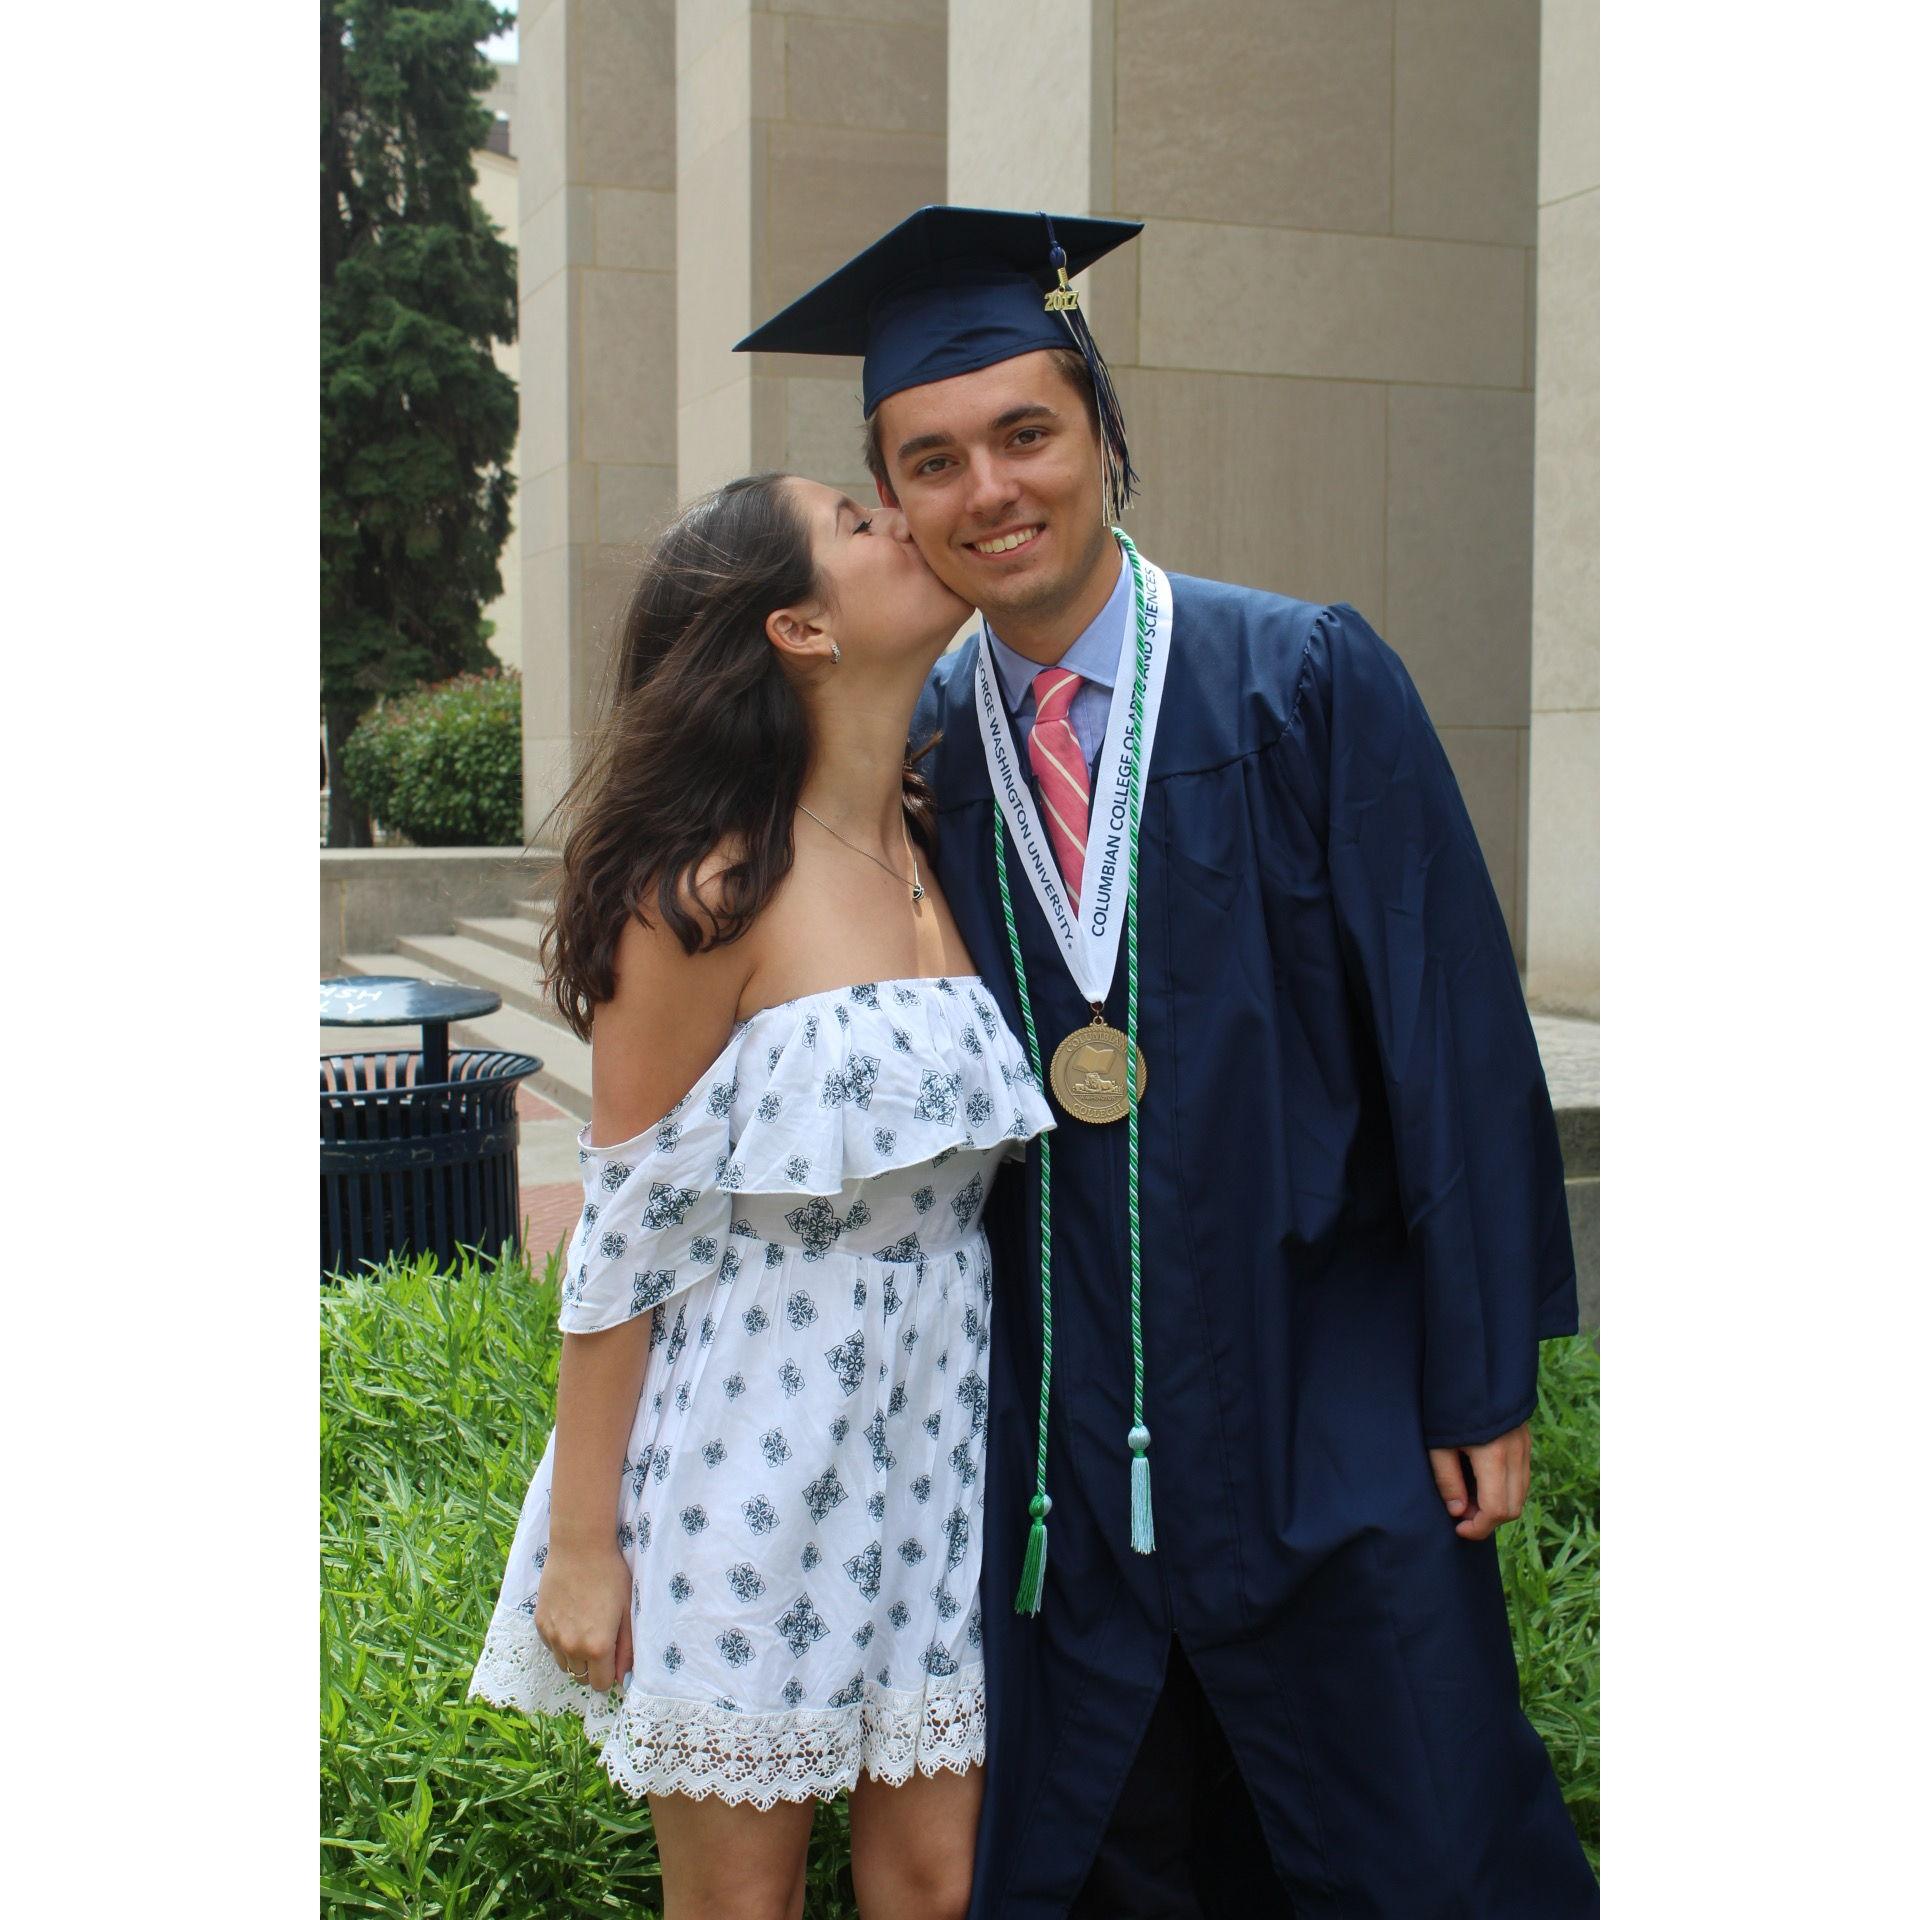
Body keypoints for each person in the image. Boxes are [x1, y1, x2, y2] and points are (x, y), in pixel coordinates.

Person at [737, 206, 1599, 1917]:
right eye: (932, 460)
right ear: (893, 499)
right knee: (1119, 1851)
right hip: (1060, 1430)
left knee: (1411, 1823)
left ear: (1106, 439)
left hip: (1325, 1387)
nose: (990, 489)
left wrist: (1479, 1373)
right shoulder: (916, 764)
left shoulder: (1304, 680)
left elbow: (1446, 1029)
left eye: (1026, 434)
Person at [468, 471, 1057, 1920]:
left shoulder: (947, 836)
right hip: (749, 1442)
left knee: (936, 1882)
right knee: (743, 1906)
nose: (903, 522)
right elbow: (623, 1238)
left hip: (938, 1446)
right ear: (797, 626)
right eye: (859, 521)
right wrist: (588, 1548)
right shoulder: (702, 890)